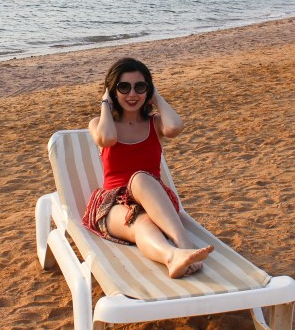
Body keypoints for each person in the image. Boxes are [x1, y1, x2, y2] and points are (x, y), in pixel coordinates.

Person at [83, 57, 213, 278]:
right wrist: (105, 103)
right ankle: (172, 255)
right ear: (113, 91)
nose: (132, 94)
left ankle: (181, 246)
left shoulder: (155, 124)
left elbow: (175, 127)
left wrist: (157, 97)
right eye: (124, 87)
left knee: (141, 180)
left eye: (140, 87)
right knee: (141, 222)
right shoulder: (99, 124)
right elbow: (107, 138)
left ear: (148, 90)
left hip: (155, 199)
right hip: (113, 205)